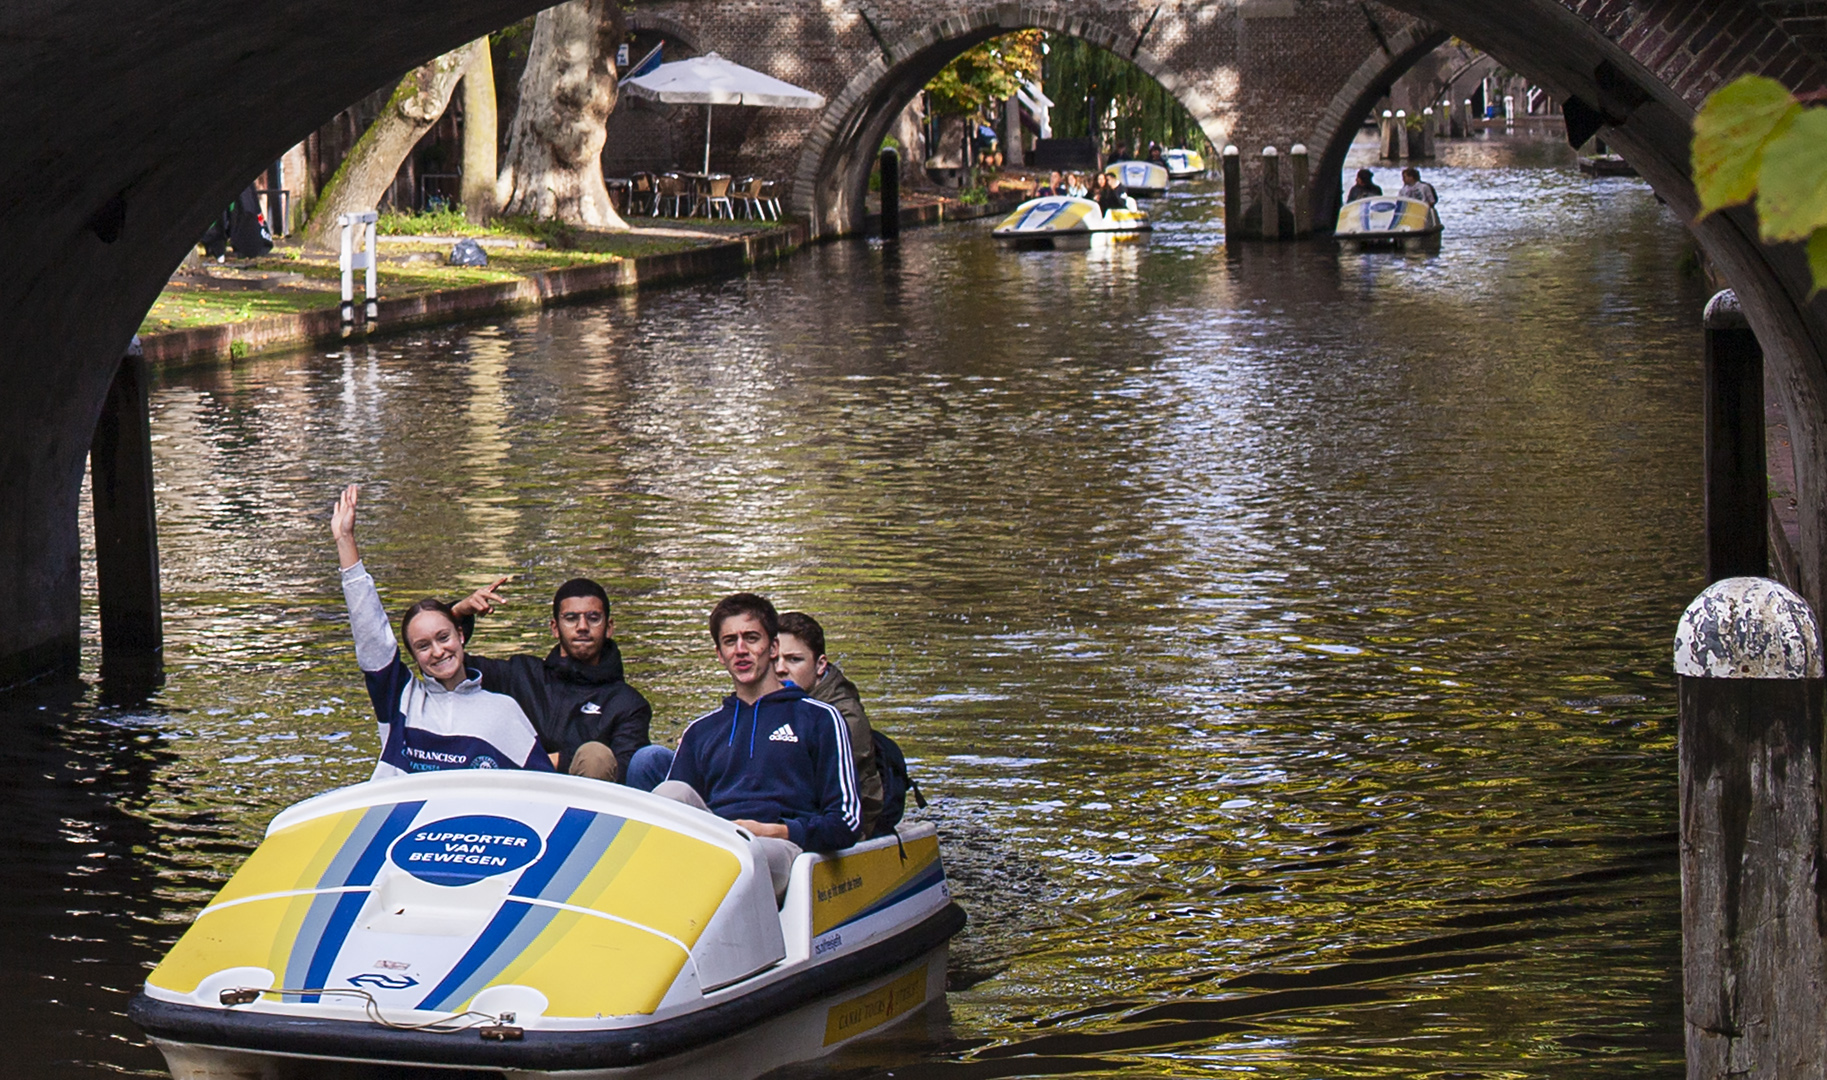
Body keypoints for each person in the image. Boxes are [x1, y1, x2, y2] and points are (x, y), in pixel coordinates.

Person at [328, 484, 553, 778]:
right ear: (413, 656)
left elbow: (546, 791)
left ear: (461, 635)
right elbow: (370, 633)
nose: (437, 651)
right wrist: (345, 541)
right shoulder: (402, 700)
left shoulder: (504, 711)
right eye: (422, 646)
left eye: (443, 637)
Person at [656, 593, 861, 900]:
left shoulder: (818, 717)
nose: (741, 650)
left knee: (747, 859)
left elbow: (846, 822)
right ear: (719, 653)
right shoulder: (701, 730)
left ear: (773, 647)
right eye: (730, 641)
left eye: (751, 638)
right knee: (669, 794)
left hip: (778, 846)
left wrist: (776, 830)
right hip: (715, 839)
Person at [452, 576, 672, 790]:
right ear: (555, 628)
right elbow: (442, 667)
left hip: (586, 813)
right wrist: (457, 614)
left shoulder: (629, 703)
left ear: (609, 627)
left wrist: (557, 761)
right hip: (513, 797)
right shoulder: (519, 675)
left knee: (596, 755)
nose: (582, 626)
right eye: (571, 618)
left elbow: (625, 775)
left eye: (593, 618)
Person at [775, 612, 883, 838]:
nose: (780, 669)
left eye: (794, 659)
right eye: (774, 659)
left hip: (840, 828)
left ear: (820, 665)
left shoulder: (845, 718)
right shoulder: (766, 704)